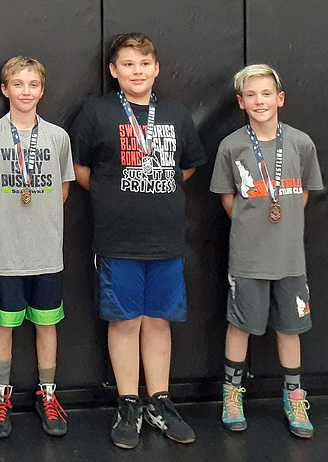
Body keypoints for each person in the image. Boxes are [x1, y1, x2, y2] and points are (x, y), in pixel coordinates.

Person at [69, 33, 205, 448]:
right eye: (127, 64)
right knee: (125, 321)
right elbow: (80, 169)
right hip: (117, 240)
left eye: (144, 63)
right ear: (113, 71)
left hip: (165, 239)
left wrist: (153, 186)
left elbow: (187, 168)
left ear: (157, 68)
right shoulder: (96, 112)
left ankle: (159, 401)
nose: (137, 71)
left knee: (159, 320)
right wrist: (116, 193)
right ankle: (128, 403)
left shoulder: (177, 114)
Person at [209, 64, 323, 439]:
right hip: (248, 256)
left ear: (280, 99)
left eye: (267, 94)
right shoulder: (232, 146)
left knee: (290, 328)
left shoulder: (301, 143)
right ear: (241, 102)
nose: (260, 101)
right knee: (240, 324)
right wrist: (253, 222)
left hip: (290, 257)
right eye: (252, 95)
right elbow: (229, 199)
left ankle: (294, 398)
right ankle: (232, 395)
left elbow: (302, 194)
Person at [0, 56, 74, 439]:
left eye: (33, 85)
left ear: (42, 90)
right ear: (5, 89)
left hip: (47, 250)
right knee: (4, 323)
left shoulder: (57, 137)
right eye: (18, 84)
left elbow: (64, 186)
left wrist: (43, 217)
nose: (25, 91)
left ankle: (47, 395)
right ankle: (2, 396)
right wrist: (0, 221)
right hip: (7, 250)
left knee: (47, 324)